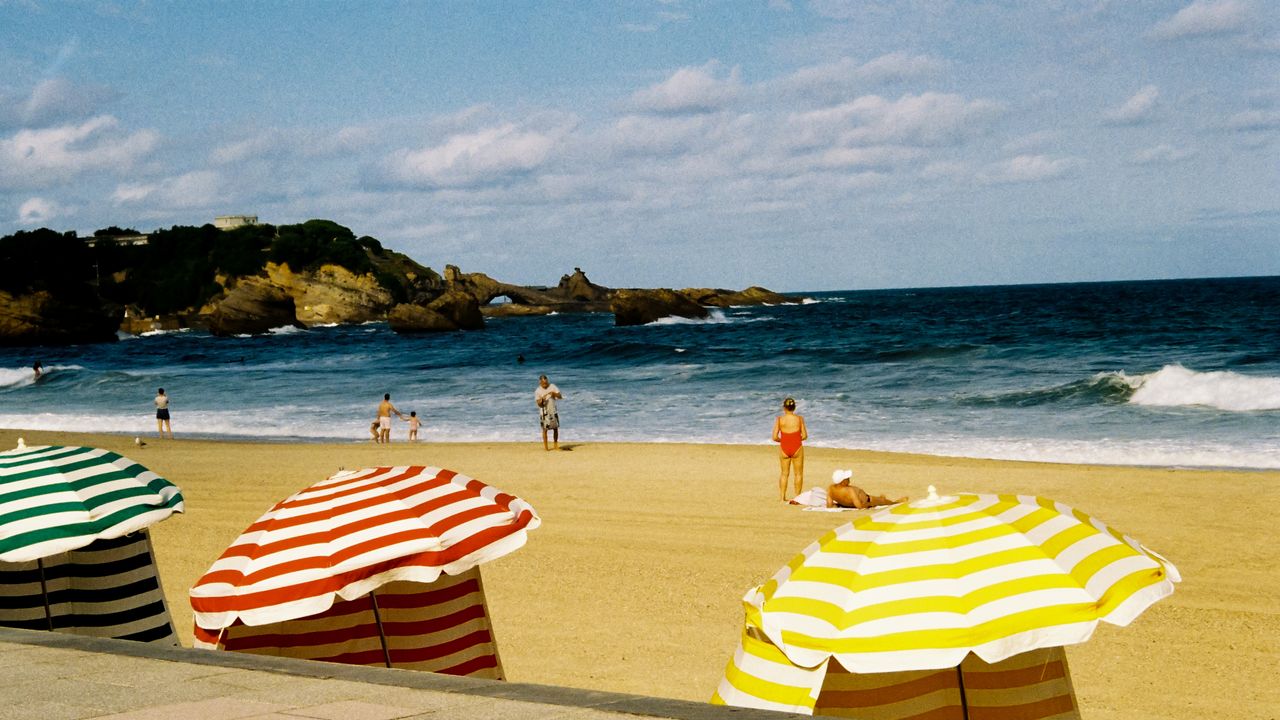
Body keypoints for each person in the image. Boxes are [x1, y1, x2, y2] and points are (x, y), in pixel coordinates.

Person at [771, 397, 808, 501]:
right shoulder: (799, 419)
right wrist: (795, 439)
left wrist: (783, 441)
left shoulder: (779, 419)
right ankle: (797, 498)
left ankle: (782, 497)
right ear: (794, 407)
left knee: (784, 474)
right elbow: (805, 435)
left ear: (784, 408)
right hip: (796, 446)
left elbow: (774, 437)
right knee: (798, 474)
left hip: (784, 447)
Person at [826, 469, 906, 509]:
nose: (849, 479)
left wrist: (840, 504)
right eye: (847, 478)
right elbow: (859, 506)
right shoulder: (849, 491)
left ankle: (881, 498)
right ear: (842, 482)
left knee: (879, 499)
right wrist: (869, 505)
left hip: (845, 505)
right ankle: (896, 502)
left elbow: (829, 505)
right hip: (868, 500)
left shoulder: (831, 488)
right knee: (883, 501)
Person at [535, 375, 562, 451]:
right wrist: (542, 400)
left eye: (546, 383)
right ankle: (546, 447)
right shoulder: (538, 391)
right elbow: (539, 404)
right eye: (543, 383)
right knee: (544, 430)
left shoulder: (552, 386)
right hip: (544, 413)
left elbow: (560, 396)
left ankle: (555, 445)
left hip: (553, 410)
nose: (545, 384)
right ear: (540, 382)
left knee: (555, 428)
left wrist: (554, 393)